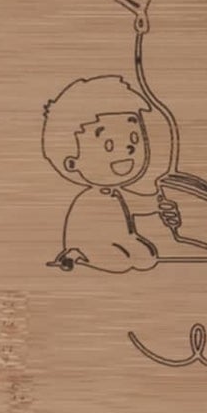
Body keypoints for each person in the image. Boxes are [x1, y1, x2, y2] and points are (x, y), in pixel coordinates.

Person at [41, 76, 160, 272]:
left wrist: (158, 203)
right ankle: (78, 254)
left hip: (122, 239)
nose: (129, 149)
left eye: (134, 138)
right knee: (120, 262)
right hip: (92, 243)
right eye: (109, 145)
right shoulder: (88, 200)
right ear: (71, 163)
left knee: (148, 258)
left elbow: (137, 203)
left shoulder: (117, 193)